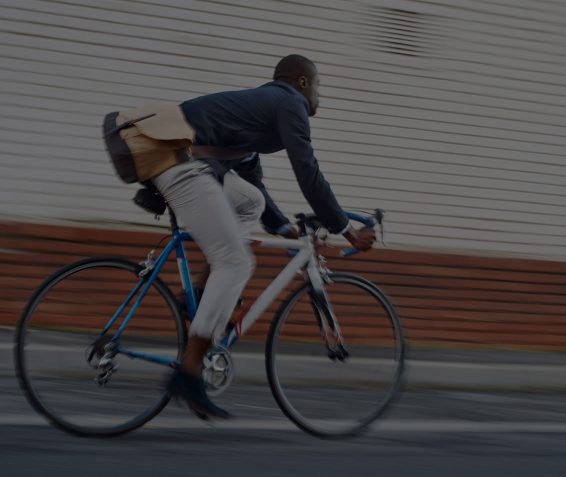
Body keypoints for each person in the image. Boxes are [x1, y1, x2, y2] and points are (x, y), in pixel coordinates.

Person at [107, 54, 375, 418]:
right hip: (176, 161)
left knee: (250, 201)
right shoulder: (289, 103)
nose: (319, 95)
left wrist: (286, 230)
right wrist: (345, 228)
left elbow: (254, 187)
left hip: (184, 161)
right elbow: (307, 169)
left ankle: (202, 293)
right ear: (302, 83)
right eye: (318, 85)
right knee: (235, 263)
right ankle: (188, 374)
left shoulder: (255, 118)